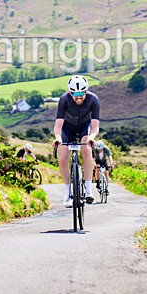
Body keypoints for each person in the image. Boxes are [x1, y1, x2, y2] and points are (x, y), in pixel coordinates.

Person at [53, 74, 100, 207]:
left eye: (81, 94)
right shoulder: (64, 100)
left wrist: (91, 138)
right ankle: (68, 193)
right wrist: (58, 138)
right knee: (62, 156)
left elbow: (95, 127)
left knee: (86, 149)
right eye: (75, 95)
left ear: (86, 91)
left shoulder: (93, 100)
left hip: (85, 127)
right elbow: (58, 126)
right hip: (67, 128)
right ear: (70, 92)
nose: (79, 98)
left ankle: (89, 191)